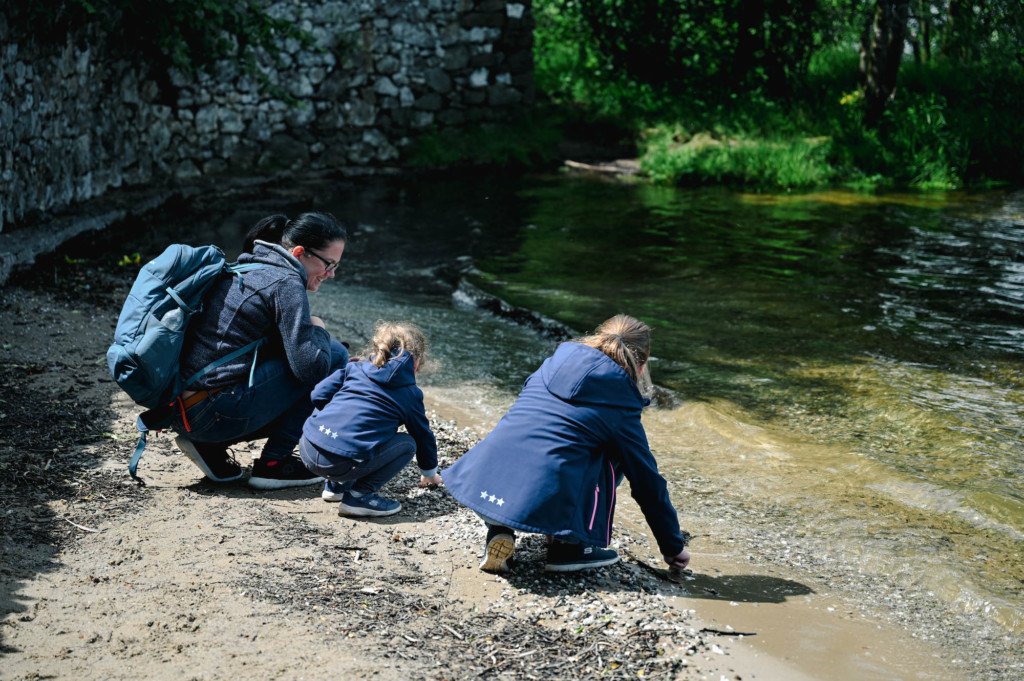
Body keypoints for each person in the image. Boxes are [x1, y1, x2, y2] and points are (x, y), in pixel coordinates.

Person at [444, 314, 691, 573]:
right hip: (536, 495)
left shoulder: (552, 365)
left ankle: (498, 530)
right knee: (617, 455)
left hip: (482, 484)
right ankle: (570, 547)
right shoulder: (621, 401)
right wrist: (672, 546)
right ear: (641, 365)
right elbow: (647, 483)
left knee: (543, 436)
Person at [170, 212, 350, 489]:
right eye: (329, 264)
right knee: (335, 356)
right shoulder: (286, 282)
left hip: (184, 413)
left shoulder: (249, 266)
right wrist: (319, 329)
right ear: (300, 252)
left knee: (323, 354)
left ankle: (211, 446)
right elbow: (311, 369)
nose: (332, 274)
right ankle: (273, 465)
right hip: (212, 414)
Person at [298, 321, 443, 517]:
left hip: (307, 449)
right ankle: (359, 496)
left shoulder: (353, 369)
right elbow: (422, 436)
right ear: (415, 362)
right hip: (341, 464)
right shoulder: (410, 394)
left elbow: (318, 395)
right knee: (408, 443)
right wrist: (429, 473)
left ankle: (334, 487)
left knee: (333, 419)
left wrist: (339, 422)